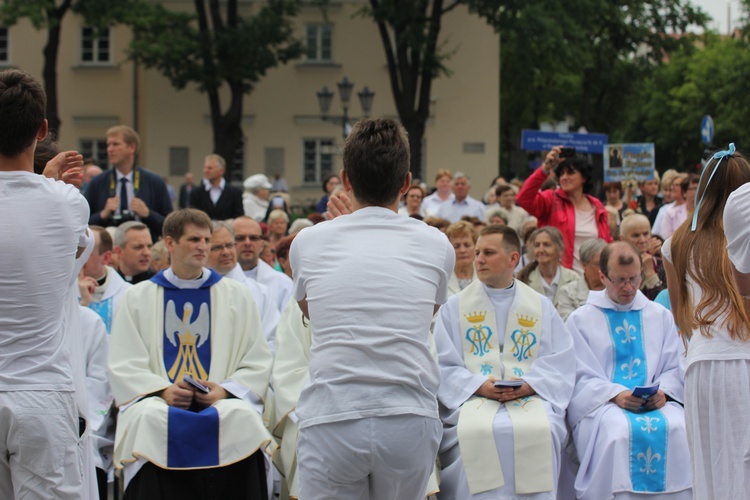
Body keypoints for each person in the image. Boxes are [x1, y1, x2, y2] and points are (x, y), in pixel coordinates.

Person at [290, 118, 455, 499]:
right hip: (407, 415)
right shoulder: (437, 245)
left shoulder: (307, 243)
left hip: (333, 414)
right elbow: (422, 312)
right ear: (406, 182)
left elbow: (315, 311)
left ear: (345, 181)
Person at [108, 209, 274, 499]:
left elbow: (256, 359)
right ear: (170, 243)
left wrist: (223, 391)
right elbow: (124, 362)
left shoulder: (236, 296)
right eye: (194, 239)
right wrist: (161, 391)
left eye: (206, 240)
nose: (203, 247)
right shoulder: (138, 297)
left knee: (242, 417)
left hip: (220, 399)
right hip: (158, 401)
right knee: (147, 420)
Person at [0, 68, 91, 498]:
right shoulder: (68, 203)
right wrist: (46, 183)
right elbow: (69, 248)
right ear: (42, 130)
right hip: (41, 390)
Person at [434, 224, 575, 499]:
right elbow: (441, 364)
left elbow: (561, 360)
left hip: (529, 397)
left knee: (541, 428)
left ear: (513, 259)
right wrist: (478, 385)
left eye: (488, 252)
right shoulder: (455, 306)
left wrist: (530, 384)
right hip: (472, 399)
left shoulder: (540, 305)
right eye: (477, 252)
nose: (479, 260)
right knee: (474, 431)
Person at [566, 241, 690, 500]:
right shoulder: (581, 319)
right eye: (619, 280)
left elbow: (673, 365)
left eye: (634, 279)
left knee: (680, 426)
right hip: (605, 405)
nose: (628, 288)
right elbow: (579, 376)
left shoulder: (659, 315)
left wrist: (664, 392)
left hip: (656, 403)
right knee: (617, 432)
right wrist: (616, 394)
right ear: (602, 277)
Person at [664, 144, 750, 499]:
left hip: (699, 365)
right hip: (742, 358)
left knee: (710, 465)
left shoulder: (675, 243)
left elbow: (680, 315)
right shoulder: (740, 239)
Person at [516, 146, 612, 272]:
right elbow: (523, 198)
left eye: (570, 172)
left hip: (593, 281)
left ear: (584, 178)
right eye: (561, 173)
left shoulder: (597, 206)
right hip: (559, 279)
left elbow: (606, 243)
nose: (564, 177)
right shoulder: (551, 199)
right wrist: (545, 168)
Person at [85, 125, 173, 242]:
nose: (109, 149)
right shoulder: (97, 183)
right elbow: (83, 224)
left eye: (115, 144)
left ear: (131, 147)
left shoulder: (154, 182)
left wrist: (148, 214)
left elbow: (169, 226)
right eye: (108, 145)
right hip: (108, 251)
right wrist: (103, 214)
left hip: (144, 249)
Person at [207, 221, 280, 353]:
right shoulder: (196, 290)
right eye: (217, 247)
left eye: (229, 245)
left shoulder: (260, 293)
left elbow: (274, 340)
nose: (225, 252)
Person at [233, 216, 293, 313]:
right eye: (240, 238)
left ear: (261, 244)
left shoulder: (283, 283)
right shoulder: (219, 280)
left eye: (253, 238)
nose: (247, 243)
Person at [80, 225, 132, 332]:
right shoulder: (65, 292)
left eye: (87, 253)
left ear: (106, 258)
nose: (79, 258)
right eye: (78, 252)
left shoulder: (128, 295)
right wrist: (83, 303)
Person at [517, 227, 582, 311]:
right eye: (537, 245)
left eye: (547, 245)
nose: (541, 250)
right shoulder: (524, 279)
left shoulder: (573, 278)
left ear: (559, 249)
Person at [556, 238, 607, 321]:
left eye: (606, 263)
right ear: (584, 265)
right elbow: (568, 323)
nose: (604, 269)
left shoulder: (616, 289)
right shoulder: (568, 292)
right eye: (598, 264)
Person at [619, 213, 666, 300]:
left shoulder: (661, 264)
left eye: (646, 234)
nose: (642, 240)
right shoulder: (616, 265)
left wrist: (650, 274)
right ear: (622, 239)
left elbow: (664, 302)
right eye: (636, 235)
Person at [189, 154, 244, 220]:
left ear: (221, 171)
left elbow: (239, 217)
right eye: (204, 167)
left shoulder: (235, 193)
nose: (206, 170)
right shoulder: (196, 192)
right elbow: (192, 216)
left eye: (210, 168)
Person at [445, 221, 478, 295]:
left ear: (475, 246)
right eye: (457, 246)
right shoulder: (442, 276)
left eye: (467, 245)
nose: (462, 250)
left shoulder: (486, 274)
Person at [656, 173, 688, 239]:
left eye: (676, 185)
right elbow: (655, 233)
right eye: (672, 185)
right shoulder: (664, 209)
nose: (672, 188)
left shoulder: (692, 208)